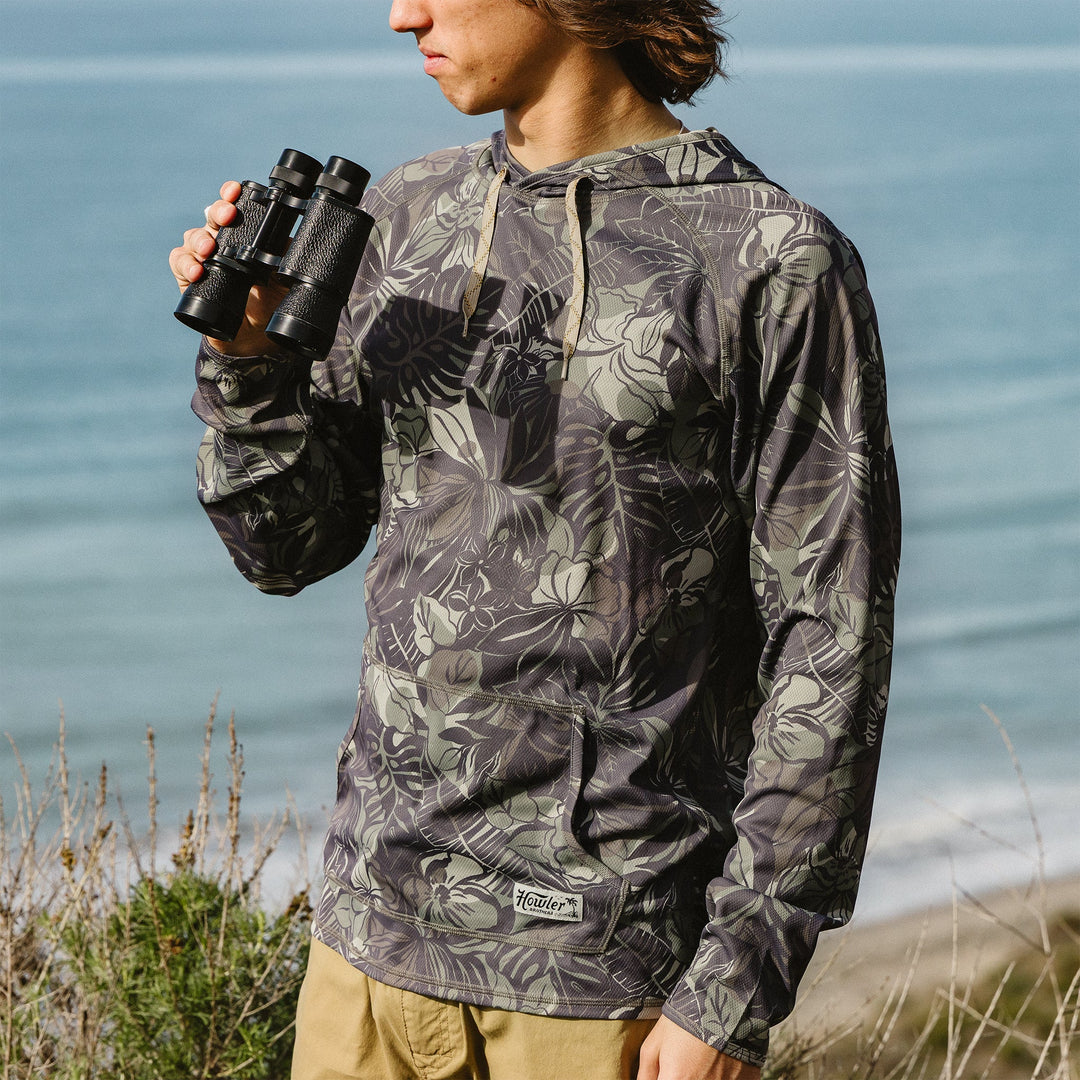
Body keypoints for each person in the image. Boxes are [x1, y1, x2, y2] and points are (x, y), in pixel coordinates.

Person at [169, 1, 901, 1076]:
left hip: (604, 979)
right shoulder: (405, 216)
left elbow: (830, 640)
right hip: (366, 954)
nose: (399, 13)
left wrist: (735, 987)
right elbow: (285, 549)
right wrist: (249, 368)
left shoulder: (773, 259)